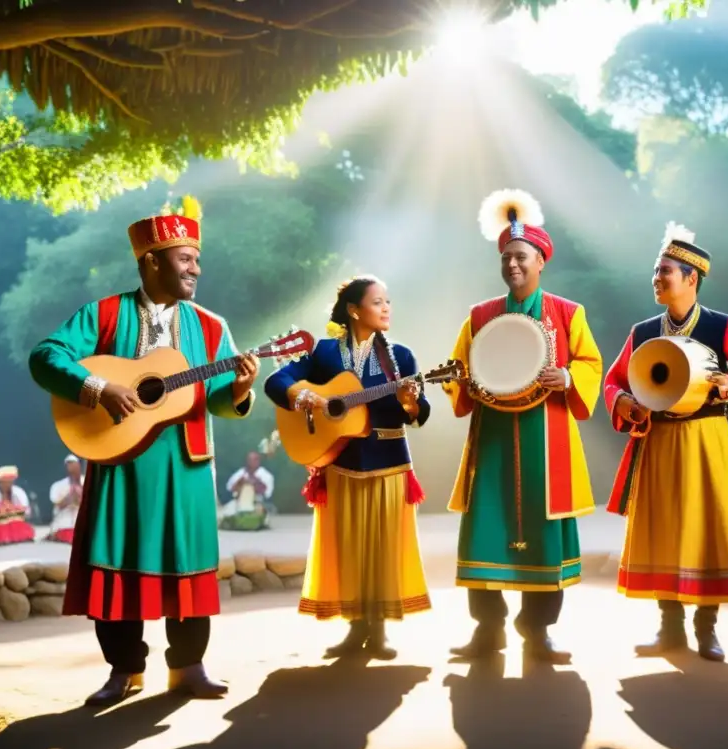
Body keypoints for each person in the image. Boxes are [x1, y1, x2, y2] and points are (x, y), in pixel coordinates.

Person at [28, 195, 260, 706]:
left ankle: (189, 667)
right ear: (151, 260)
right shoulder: (104, 313)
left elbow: (218, 400)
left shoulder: (212, 326)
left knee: (189, 563)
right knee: (117, 564)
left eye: (197, 259)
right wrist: (97, 387)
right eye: (185, 258)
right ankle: (124, 671)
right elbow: (46, 357)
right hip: (119, 463)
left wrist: (240, 389)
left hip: (186, 464)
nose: (196, 268)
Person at [443, 189, 603, 664]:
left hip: (547, 439)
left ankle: (538, 632)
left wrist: (569, 376)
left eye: (521, 257)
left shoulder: (568, 314)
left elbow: (592, 364)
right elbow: (458, 370)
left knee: (544, 530)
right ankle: (487, 630)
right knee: (486, 525)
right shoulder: (480, 317)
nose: (513, 265)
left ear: (540, 261)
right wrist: (463, 383)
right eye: (506, 258)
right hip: (492, 439)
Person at [603, 223, 728, 662]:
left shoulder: (721, 326)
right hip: (658, 441)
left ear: (691, 278)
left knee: (705, 527)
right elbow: (613, 381)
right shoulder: (642, 332)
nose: (657, 278)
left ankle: (706, 628)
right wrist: (624, 404)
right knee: (665, 530)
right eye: (655, 271)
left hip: (705, 438)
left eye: (665, 271)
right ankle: (669, 628)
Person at [264, 275, 431, 660]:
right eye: (378, 301)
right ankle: (356, 629)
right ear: (354, 310)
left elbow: (420, 415)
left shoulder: (401, 358)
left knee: (383, 550)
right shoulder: (324, 354)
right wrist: (302, 395)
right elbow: (277, 379)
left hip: (390, 465)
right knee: (350, 549)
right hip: (340, 464)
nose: (387, 307)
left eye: (388, 301)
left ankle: (380, 630)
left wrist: (409, 402)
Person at [220, 450, 276, 531]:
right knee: (223, 515)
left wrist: (255, 483)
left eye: (254, 460)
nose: (252, 462)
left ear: (258, 461)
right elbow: (230, 488)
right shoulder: (240, 473)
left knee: (260, 518)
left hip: (257, 502)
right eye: (249, 460)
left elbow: (267, 494)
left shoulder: (266, 475)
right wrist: (240, 482)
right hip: (239, 502)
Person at [48, 454, 85, 544]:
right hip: (63, 524)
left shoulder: (89, 482)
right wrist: (70, 497)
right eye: (69, 465)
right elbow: (57, 504)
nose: (72, 468)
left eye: (74, 464)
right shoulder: (58, 486)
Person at [0, 465, 35, 546]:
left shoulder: (19, 492)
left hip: (16, 522)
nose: (7, 484)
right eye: (4, 482)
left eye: (9, 481)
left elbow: (26, 511)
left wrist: (11, 510)